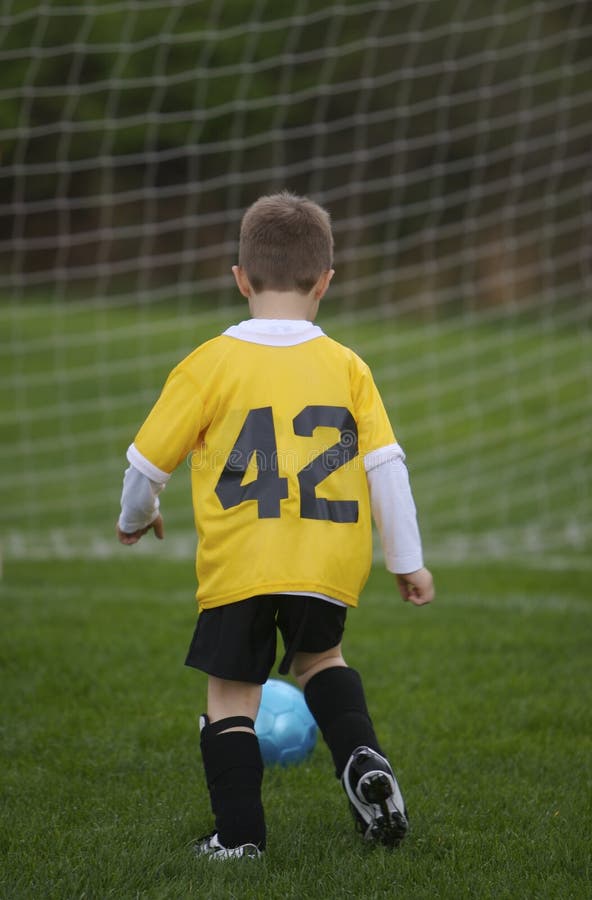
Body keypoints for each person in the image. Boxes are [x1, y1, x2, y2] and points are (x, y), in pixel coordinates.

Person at [116, 191, 434, 861]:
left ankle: (239, 839)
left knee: (231, 694)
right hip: (326, 562)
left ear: (240, 278)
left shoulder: (208, 362)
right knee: (321, 661)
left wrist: (135, 519)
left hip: (241, 563)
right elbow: (387, 469)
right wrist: (407, 560)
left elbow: (146, 464)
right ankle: (365, 762)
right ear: (324, 282)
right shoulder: (348, 367)